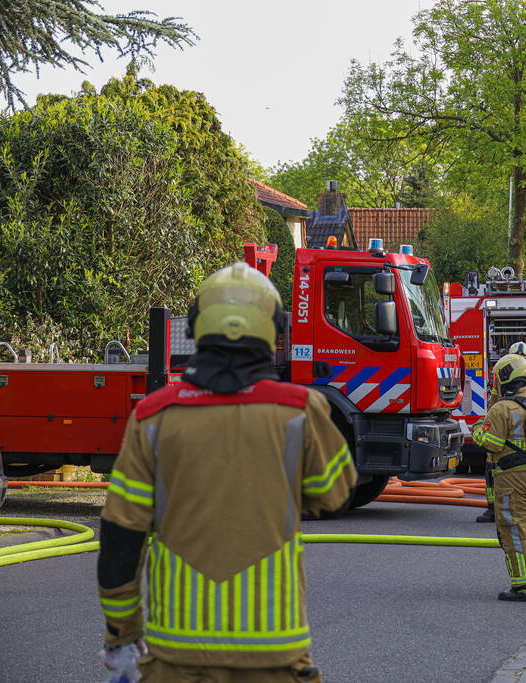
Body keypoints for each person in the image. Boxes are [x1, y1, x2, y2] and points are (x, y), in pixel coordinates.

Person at [97, 262, 356, 682]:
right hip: (274, 650)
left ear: (196, 328)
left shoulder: (153, 416)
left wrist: (121, 633)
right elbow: (334, 496)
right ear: (273, 330)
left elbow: (120, 538)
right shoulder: (300, 410)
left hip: (177, 651)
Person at [472, 354, 526, 601]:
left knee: (515, 529)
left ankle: (525, 587)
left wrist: (476, 431)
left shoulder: (502, 408)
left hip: (513, 477)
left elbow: (492, 444)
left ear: (506, 378)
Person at [478, 340, 526, 522]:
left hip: (518, 430)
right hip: (504, 422)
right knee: (491, 471)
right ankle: (492, 508)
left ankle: (503, 510)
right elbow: (494, 400)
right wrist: (491, 420)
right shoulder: (505, 376)